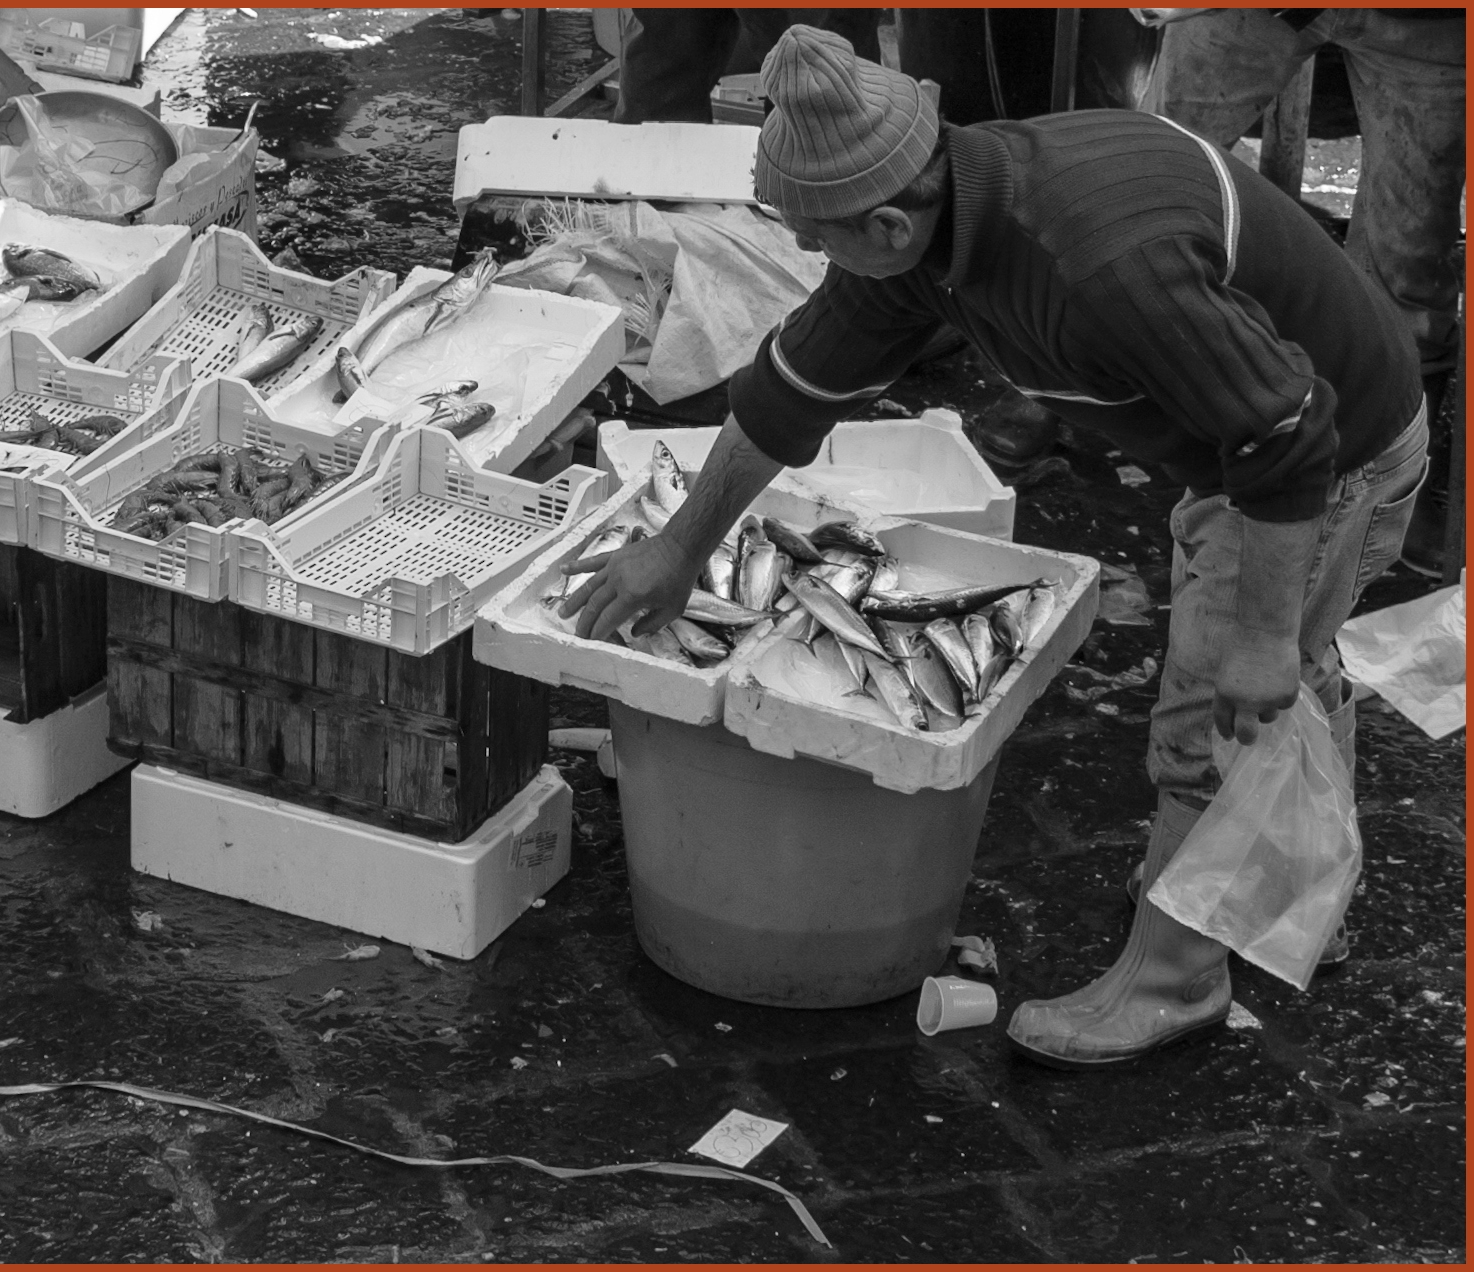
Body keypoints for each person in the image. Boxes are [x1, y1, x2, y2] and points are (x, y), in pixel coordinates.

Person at [563, 26, 1430, 1067]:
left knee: (1221, 708)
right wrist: (676, 548)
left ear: (886, 222)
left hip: (1327, 454)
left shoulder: (1097, 259)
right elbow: (788, 395)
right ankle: (1287, 888)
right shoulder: (927, 226)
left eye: (811, 238)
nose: (807, 254)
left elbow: (1288, 433)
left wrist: (1257, 638)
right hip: (1234, 441)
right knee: (1282, 670)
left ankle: (1176, 981)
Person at [1140, 7, 1463, 577]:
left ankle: (1394, 474)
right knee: (1144, 167)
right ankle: (1063, 378)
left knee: (1409, 251)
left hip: (1425, 22)